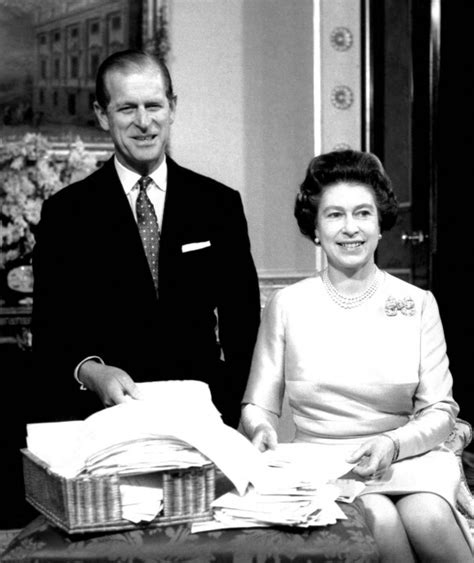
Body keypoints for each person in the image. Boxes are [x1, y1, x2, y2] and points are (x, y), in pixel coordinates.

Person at [241, 150, 473, 561]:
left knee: (428, 516)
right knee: (379, 519)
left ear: (380, 223)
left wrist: (391, 443)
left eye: (362, 213)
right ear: (314, 227)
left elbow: (441, 410)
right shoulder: (287, 305)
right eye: (334, 215)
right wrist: (259, 431)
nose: (351, 229)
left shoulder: (417, 303)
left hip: (408, 457)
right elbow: (258, 406)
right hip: (322, 468)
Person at [31, 49, 261, 429]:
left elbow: (244, 326)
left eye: (154, 105)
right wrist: (91, 372)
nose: (144, 122)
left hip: (203, 418)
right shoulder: (66, 214)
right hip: (105, 421)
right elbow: (50, 330)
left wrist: (240, 408)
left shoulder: (218, 204)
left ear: (172, 108)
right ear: (102, 115)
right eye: (127, 109)